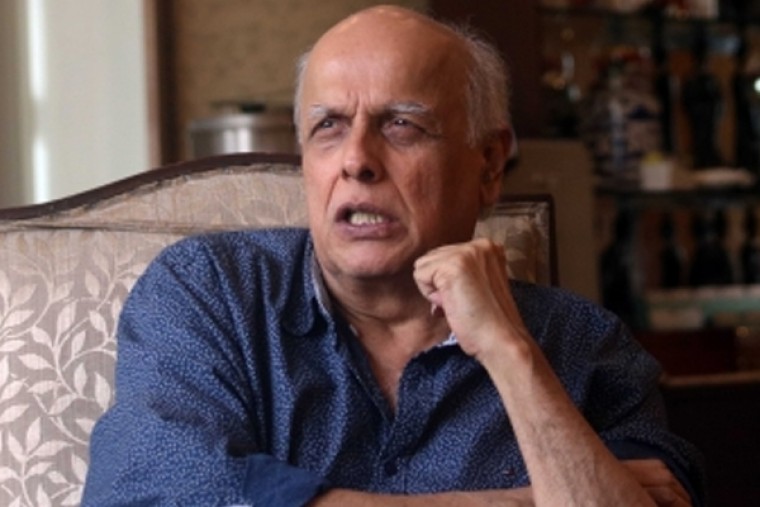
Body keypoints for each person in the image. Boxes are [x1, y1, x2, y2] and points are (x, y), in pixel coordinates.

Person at [82, 5, 704, 506]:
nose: (357, 159)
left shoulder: (586, 346)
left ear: (489, 164)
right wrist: (518, 500)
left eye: (402, 124)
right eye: (328, 126)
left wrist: (511, 354)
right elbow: (151, 492)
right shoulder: (209, 292)